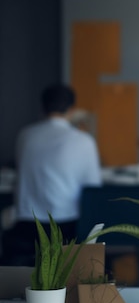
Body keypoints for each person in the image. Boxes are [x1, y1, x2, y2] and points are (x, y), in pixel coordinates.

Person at [2, 84, 101, 265]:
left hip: (26, 226)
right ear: (72, 109)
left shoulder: (25, 135)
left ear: (42, 107)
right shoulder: (83, 140)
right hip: (65, 227)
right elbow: (93, 187)